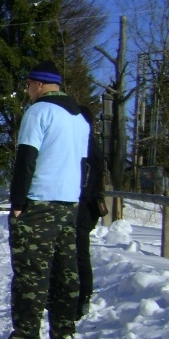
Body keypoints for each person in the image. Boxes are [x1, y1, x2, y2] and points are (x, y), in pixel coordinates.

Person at [0, 60, 90, 339]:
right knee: (64, 271)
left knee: (31, 273)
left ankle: (24, 337)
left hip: (39, 202)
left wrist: (18, 202)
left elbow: (26, 158)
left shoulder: (39, 112)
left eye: (29, 84)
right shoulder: (79, 117)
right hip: (69, 202)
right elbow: (85, 163)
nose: (27, 89)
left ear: (40, 84)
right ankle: (63, 333)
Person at [56, 106, 105, 321]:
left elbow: (84, 182)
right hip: (82, 206)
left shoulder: (88, 147)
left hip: (83, 208)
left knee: (79, 255)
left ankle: (82, 298)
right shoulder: (87, 144)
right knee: (75, 254)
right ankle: (76, 297)